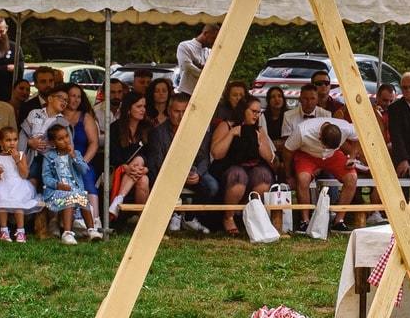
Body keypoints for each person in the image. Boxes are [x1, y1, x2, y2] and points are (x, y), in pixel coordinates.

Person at [146, 91, 218, 232]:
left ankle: (190, 217)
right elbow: (157, 162)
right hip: (167, 172)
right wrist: (179, 175)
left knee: (212, 186)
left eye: (184, 111)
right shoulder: (158, 133)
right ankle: (174, 215)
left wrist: (198, 173)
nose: (180, 116)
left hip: (193, 170)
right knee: (160, 179)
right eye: (176, 111)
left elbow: (204, 158)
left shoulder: (199, 132)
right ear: (169, 111)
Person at [210, 94, 276, 237]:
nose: (256, 115)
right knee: (238, 176)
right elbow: (216, 153)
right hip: (230, 166)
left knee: (263, 178)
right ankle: (228, 217)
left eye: (259, 112)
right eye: (253, 111)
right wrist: (232, 134)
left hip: (253, 167)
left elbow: (269, 157)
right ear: (243, 110)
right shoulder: (227, 125)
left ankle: (246, 214)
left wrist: (259, 141)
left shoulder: (258, 130)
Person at [286, 110, 359, 214]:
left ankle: (339, 219)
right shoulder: (303, 131)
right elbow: (287, 150)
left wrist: (352, 157)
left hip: (333, 155)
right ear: (319, 137)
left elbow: (358, 136)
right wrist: (289, 175)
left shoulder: (346, 127)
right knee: (303, 178)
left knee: (352, 177)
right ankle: (305, 220)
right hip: (307, 155)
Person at [40, 121, 102, 243]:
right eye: (60, 139)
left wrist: (74, 156)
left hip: (75, 190)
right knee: (71, 196)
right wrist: (58, 185)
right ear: (53, 143)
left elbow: (84, 170)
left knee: (81, 197)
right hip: (55, 193)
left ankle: (91, 230)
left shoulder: (76, 154)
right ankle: (67, 233)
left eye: (66, 136)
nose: (65, 140)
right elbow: (46, 178)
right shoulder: (49, 157)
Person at [0, 126, 40, 242]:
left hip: (19, 185)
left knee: (18, 202)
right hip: (3, 185)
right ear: (1, 142)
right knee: (2, 201)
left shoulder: (21, 155)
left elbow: (24, 175)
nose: (12, 143)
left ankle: (21, 231)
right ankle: (4, 231)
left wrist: (17, 160)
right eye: (8, 140)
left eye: (15, 139)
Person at [107, 93, 153, 216]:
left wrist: (144, 169)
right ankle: (141, 220)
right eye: (139, 106)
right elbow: (113, 154)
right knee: (143, 178)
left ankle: (119, 199)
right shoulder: (115, 128)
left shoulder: (148, 128)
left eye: (144, 106)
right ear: (128, 109)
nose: (143, 110)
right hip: (120, 170)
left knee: (143, 177)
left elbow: (152, 155)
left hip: (142, 171)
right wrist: (126, 168)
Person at [64, 83, 102, 191]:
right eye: (73, 96)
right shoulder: (57, 116)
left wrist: (82, 163)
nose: (76, 100)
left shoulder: (85, 117)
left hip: (83, 161)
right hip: (60, 162)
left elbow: (94, 143)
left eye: (79, 97)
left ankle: (93, 208)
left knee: (88, 185)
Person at [177, 23, 218, 94]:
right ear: (205, 33)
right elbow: (187, 66)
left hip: (203, 93)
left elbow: (213, 71)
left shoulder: (209, 51)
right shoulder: (185, 46)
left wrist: (197, 66)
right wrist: (204, 72)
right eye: (213, 38)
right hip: (187, 93)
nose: (215, 42)